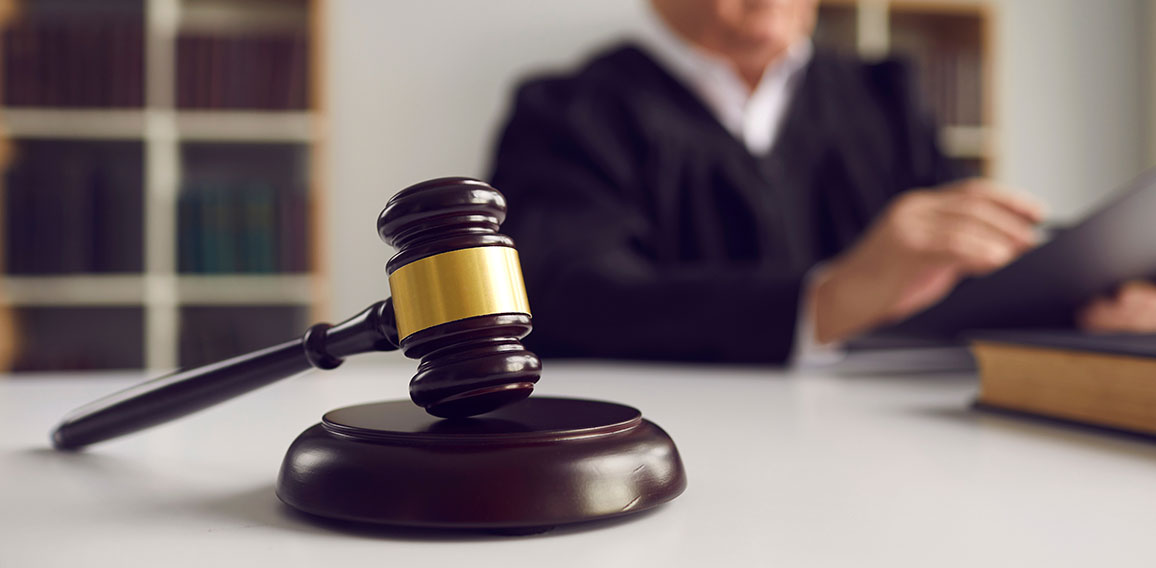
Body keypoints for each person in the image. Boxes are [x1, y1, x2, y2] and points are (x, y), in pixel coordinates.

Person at [488, 0, 1156, 363]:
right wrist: (828, 300)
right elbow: (562, 295)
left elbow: (969, 267)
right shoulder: (566, 111)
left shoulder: (884, 96)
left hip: (899, 460)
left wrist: (1095, 299)